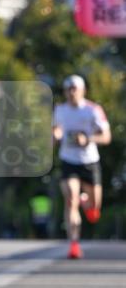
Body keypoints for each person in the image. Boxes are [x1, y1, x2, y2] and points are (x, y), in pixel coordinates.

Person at [53, 74, 111, 259]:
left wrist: (88, 139)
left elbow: (106, 137)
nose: (71, 93)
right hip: (69, 161)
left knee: (94, 211)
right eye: (67, 89)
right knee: (71, 199)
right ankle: (74, 245)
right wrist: (55, 135)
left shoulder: (93, 110)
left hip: (89, 162)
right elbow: (57, 129)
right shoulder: (60, 110)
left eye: (74, 89)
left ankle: (88, 203)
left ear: (82, 90)